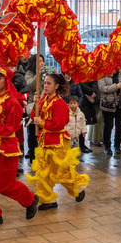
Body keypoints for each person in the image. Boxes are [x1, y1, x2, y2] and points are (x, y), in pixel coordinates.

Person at [0, 67, 38, 227]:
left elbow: (11, 128)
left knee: (4, 186)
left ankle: (30, 199)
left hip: (7, 148)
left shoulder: (13, 103)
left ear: (7, 81)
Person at [27, 73, 88, 211]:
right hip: (44, 142)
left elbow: (59, 124)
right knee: (44, 172)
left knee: (61, 172)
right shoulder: (43, 101)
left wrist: (41, 122)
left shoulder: (60, 103)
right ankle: (47, 199)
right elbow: (33, 116)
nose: (46, 86)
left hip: (58, 143)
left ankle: (78, 187)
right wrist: (36, 104)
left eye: (49, 83)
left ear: (56, 86)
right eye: (45, 83)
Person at [97, 67, 121, 157]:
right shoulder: (103, 70)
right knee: (108, 125)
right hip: (108, 103)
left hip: (120, 103)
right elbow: (102, 88)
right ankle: (107, 147)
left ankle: (117, 146)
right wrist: (116, 86)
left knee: (120, 126)